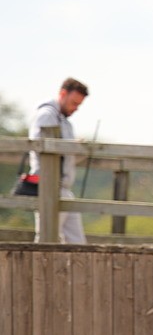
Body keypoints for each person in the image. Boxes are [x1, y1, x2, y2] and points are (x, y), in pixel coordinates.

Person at [26, 77, 89, 243]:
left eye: (78, 105)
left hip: (64, 188)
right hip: (49, 187)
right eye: (74, 103)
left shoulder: (64, 121)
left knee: (77, 243)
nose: (75, 108)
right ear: (63, 93)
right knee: (48, 239)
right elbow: (40, 147)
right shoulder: (46, 115)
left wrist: (79, 148)